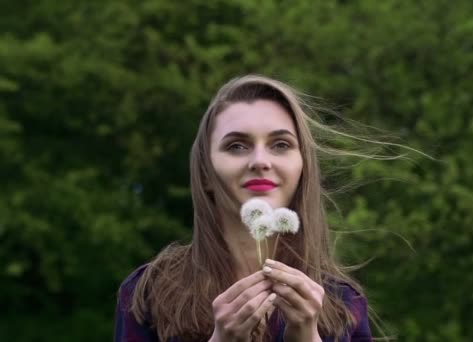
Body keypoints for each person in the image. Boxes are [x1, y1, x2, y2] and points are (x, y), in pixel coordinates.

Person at [114, 75, 373, 341]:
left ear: (303, 167)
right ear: (205, 172)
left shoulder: (343, 303)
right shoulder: (148, 293)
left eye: (280, 145)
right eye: (236, 146)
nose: (260, 161)